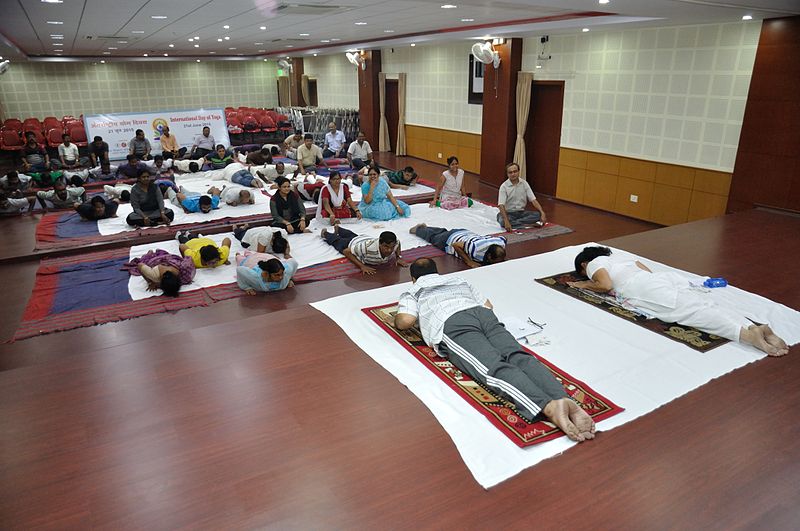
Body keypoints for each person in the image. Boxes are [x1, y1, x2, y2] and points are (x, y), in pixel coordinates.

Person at [394, 258, 596, 441]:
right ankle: (563, 398)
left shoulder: (414, 291)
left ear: (413, 278)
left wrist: (401, 316)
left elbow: (406, 321)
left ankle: (549, 407)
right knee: (518, 356)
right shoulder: (459, 281)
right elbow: (488, 305)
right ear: (436, 272)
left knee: (492, 367)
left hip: (453, 323)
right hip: (483, 316)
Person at [568, 246, 790, 357]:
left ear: (584, 264)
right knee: (704, 304)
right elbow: (646, 270)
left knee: (693, 313)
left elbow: (605, 285)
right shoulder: (619, 257)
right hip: (657, 280)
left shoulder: (595, 263)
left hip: (642, 288)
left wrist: (583, 285)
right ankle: (754, 325)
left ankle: (748, 335)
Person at [409, 223, 507, 268]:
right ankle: (418, 230)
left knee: (442, 232)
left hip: (464, 233)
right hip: (451, 239)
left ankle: (429, 228)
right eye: (495, 262)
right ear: (489, 256)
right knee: (433, 238)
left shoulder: (500, 243)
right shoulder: (475, 248)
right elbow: (456, 245)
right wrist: (469, 262)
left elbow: (504, 238)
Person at [320, 225, 406, 275]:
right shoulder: (367, 248)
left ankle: (338, 229)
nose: (389, 250)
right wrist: (362, 266)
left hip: (363, 238)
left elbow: (398, 243)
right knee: (338, 242)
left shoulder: (395, 244)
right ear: (380, 243)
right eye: (386, 247)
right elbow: (346, 251)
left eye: (391, 247)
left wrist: (398, 257)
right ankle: (325, 233)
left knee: (352, 235)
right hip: (353, 243)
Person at [123, 249, 196, 296]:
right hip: (157, 260)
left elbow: (188, 258)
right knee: (145, 259)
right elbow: (139, 265)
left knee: (159, 254)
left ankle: (154, 252)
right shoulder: (154, 276)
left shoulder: (185, 273)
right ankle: (150, 253)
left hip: (169, 258)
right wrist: (150, 282)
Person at [497, 162, 546, 231]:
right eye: (510, 172)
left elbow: (533, 200)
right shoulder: (504, 186)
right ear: (507, 174)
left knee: (538, 215)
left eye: (515, 171)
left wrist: (542, 212)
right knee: (502, 221)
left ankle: (516, 224)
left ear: (518, 172)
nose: (513, 174)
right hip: (508, 213)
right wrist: (506, 221)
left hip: (521, 213)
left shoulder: (524, 183)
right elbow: (501, 205)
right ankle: (528, 224)